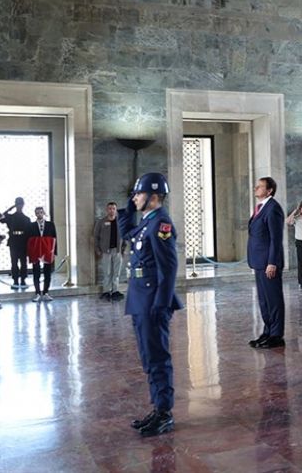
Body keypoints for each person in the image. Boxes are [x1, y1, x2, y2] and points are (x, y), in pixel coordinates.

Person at [120, 172, 183, 437]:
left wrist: (161, 303)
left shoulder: (161, 224)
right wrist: (129, 205)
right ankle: (157, 407)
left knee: (157, 357)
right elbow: (126, 233)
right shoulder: (147, 222)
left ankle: (164, 412)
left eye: (139, 194)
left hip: (152, 300)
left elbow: (169, 268)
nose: (135, 198)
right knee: (148, 356)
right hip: (140, 298)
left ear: (154, 196)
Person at [247, 177, 286, 349]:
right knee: (264, 301)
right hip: (259, 262)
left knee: (274, 299)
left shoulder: (273, 209)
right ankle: (268, 331)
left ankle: (277, 335)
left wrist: (272, 262)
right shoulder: (260, 207)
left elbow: (275, 240)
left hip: (269, 263)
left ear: (269, 190)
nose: (256, 188)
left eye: (260, 186)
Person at [95, 202, 125, 301]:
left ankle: (115, 290)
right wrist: (97, 249)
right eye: (110, 208)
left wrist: (123, 250)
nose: (111, 210)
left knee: (116, 272)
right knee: (107, 272)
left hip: (117, 251)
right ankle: (106, 291)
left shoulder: (120, 221)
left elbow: (124, 237)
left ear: (116, 210)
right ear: (106, 210)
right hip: (105, 251)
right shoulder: (101, 222)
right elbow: (96, 237)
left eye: (113, 209)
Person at [26, 207, 57, 302]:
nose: (39, 214)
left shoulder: (50, 224)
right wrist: (29, 253)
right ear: (35, 214)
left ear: (43, 213)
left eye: (41, 212)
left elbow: (54, 238)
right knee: (36, 272)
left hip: (47, 250)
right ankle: (37, 292)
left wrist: (55, 251)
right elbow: (28, 240)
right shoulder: (31, 225)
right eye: (37, 213)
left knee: (47, 272)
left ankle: (46, 292)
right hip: (35, 251)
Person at [1, 197, 31, 289]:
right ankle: (15, 280)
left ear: (23, 205)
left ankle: (23, 280)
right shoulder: (10, 217)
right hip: (13, 241)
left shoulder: (26, 218)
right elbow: (1, 217)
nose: (19, 206)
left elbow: (29, 233)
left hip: (23, 241)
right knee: (14, 262)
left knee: (23, 262)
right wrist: (10, 208)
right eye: (17, 204)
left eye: (20, 204)